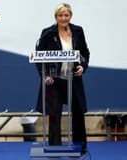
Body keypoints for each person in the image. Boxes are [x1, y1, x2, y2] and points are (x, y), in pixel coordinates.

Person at [35, 3, 90, 153]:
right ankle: (54, 149)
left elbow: (85, 53)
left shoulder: (78, 31)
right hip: (54, 81)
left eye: (66, 15)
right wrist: (45, 75)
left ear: (70, 16)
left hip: (73, 80)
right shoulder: (47, 33)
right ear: (56, 17)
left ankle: (81, 148)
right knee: (54, 115)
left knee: (78, 113)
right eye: (60, 15)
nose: (63, 18)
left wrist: (83, 66)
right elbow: (40, 58)